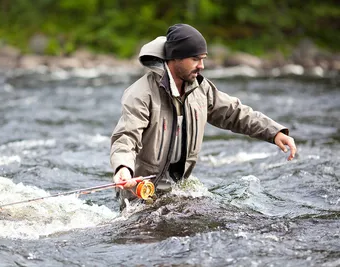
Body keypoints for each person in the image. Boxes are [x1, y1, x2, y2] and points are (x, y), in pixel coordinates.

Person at [110, 24, 297, 209]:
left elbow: (235, 113)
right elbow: (126, 136)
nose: (202, 65)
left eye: (203, 59)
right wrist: (123, 167)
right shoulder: (141, 93)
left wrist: (274, 132)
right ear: (175, 57)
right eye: (195, 59)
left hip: (177, 192)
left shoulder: (201, 89)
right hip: (139, 197)